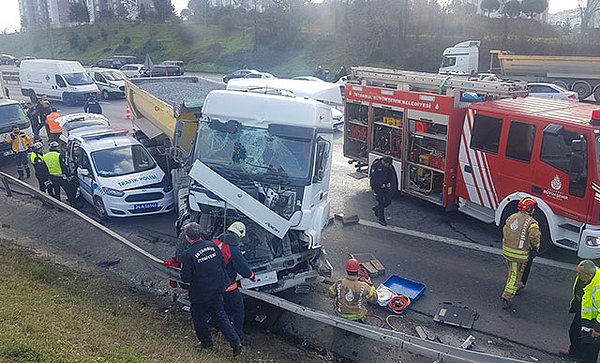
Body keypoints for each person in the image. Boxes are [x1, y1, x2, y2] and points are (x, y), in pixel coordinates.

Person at [180, 223, 242, 356]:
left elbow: (186, 278)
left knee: (199, 318)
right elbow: (221, 264)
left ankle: (206, 344)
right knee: (220, 315)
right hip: (217, 290)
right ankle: (235, 341)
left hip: (200, 294)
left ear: (188, 237)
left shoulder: (188, 254)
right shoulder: (212, 246)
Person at [214, 221, 255, 345]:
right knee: (238, 309)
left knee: (219, 306)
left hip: (212, 281)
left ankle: (213, 324)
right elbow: (241, 266)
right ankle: (238, 336)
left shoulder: (216, 241)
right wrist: (251, 276)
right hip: (226, 284)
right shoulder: (233, 248)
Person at [500, 197, 541, 309]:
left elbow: (504, 231)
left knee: (512, 272)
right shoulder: (532, 222)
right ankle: (507, 296)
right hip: (518, 255)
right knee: (515, 275)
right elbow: (535, 236)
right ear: (531, 210)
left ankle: (518, 286)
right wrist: (535, 248)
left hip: (507, 250)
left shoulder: (511, 217)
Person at [562, 260, 600, 363]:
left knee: (592, 343)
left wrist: (597, 328)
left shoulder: (598, 287)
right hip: (584, 310)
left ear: (590, 275)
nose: (577, 275)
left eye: (580, 273)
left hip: (595, 318)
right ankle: (575, 353)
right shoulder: (585, 276)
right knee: (574, 331)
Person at [369, 156, 394, 226]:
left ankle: (377, 209)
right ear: (384, 162)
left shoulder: (388, 166)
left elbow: (390, 174)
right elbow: (373, 177)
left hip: (385, 185)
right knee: (381, 202)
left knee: (388, 201)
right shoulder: (376, 165)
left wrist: (389, 182)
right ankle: (381, 219)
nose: (388, 166)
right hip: (377, 186)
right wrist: (380, 184)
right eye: (387, 164)